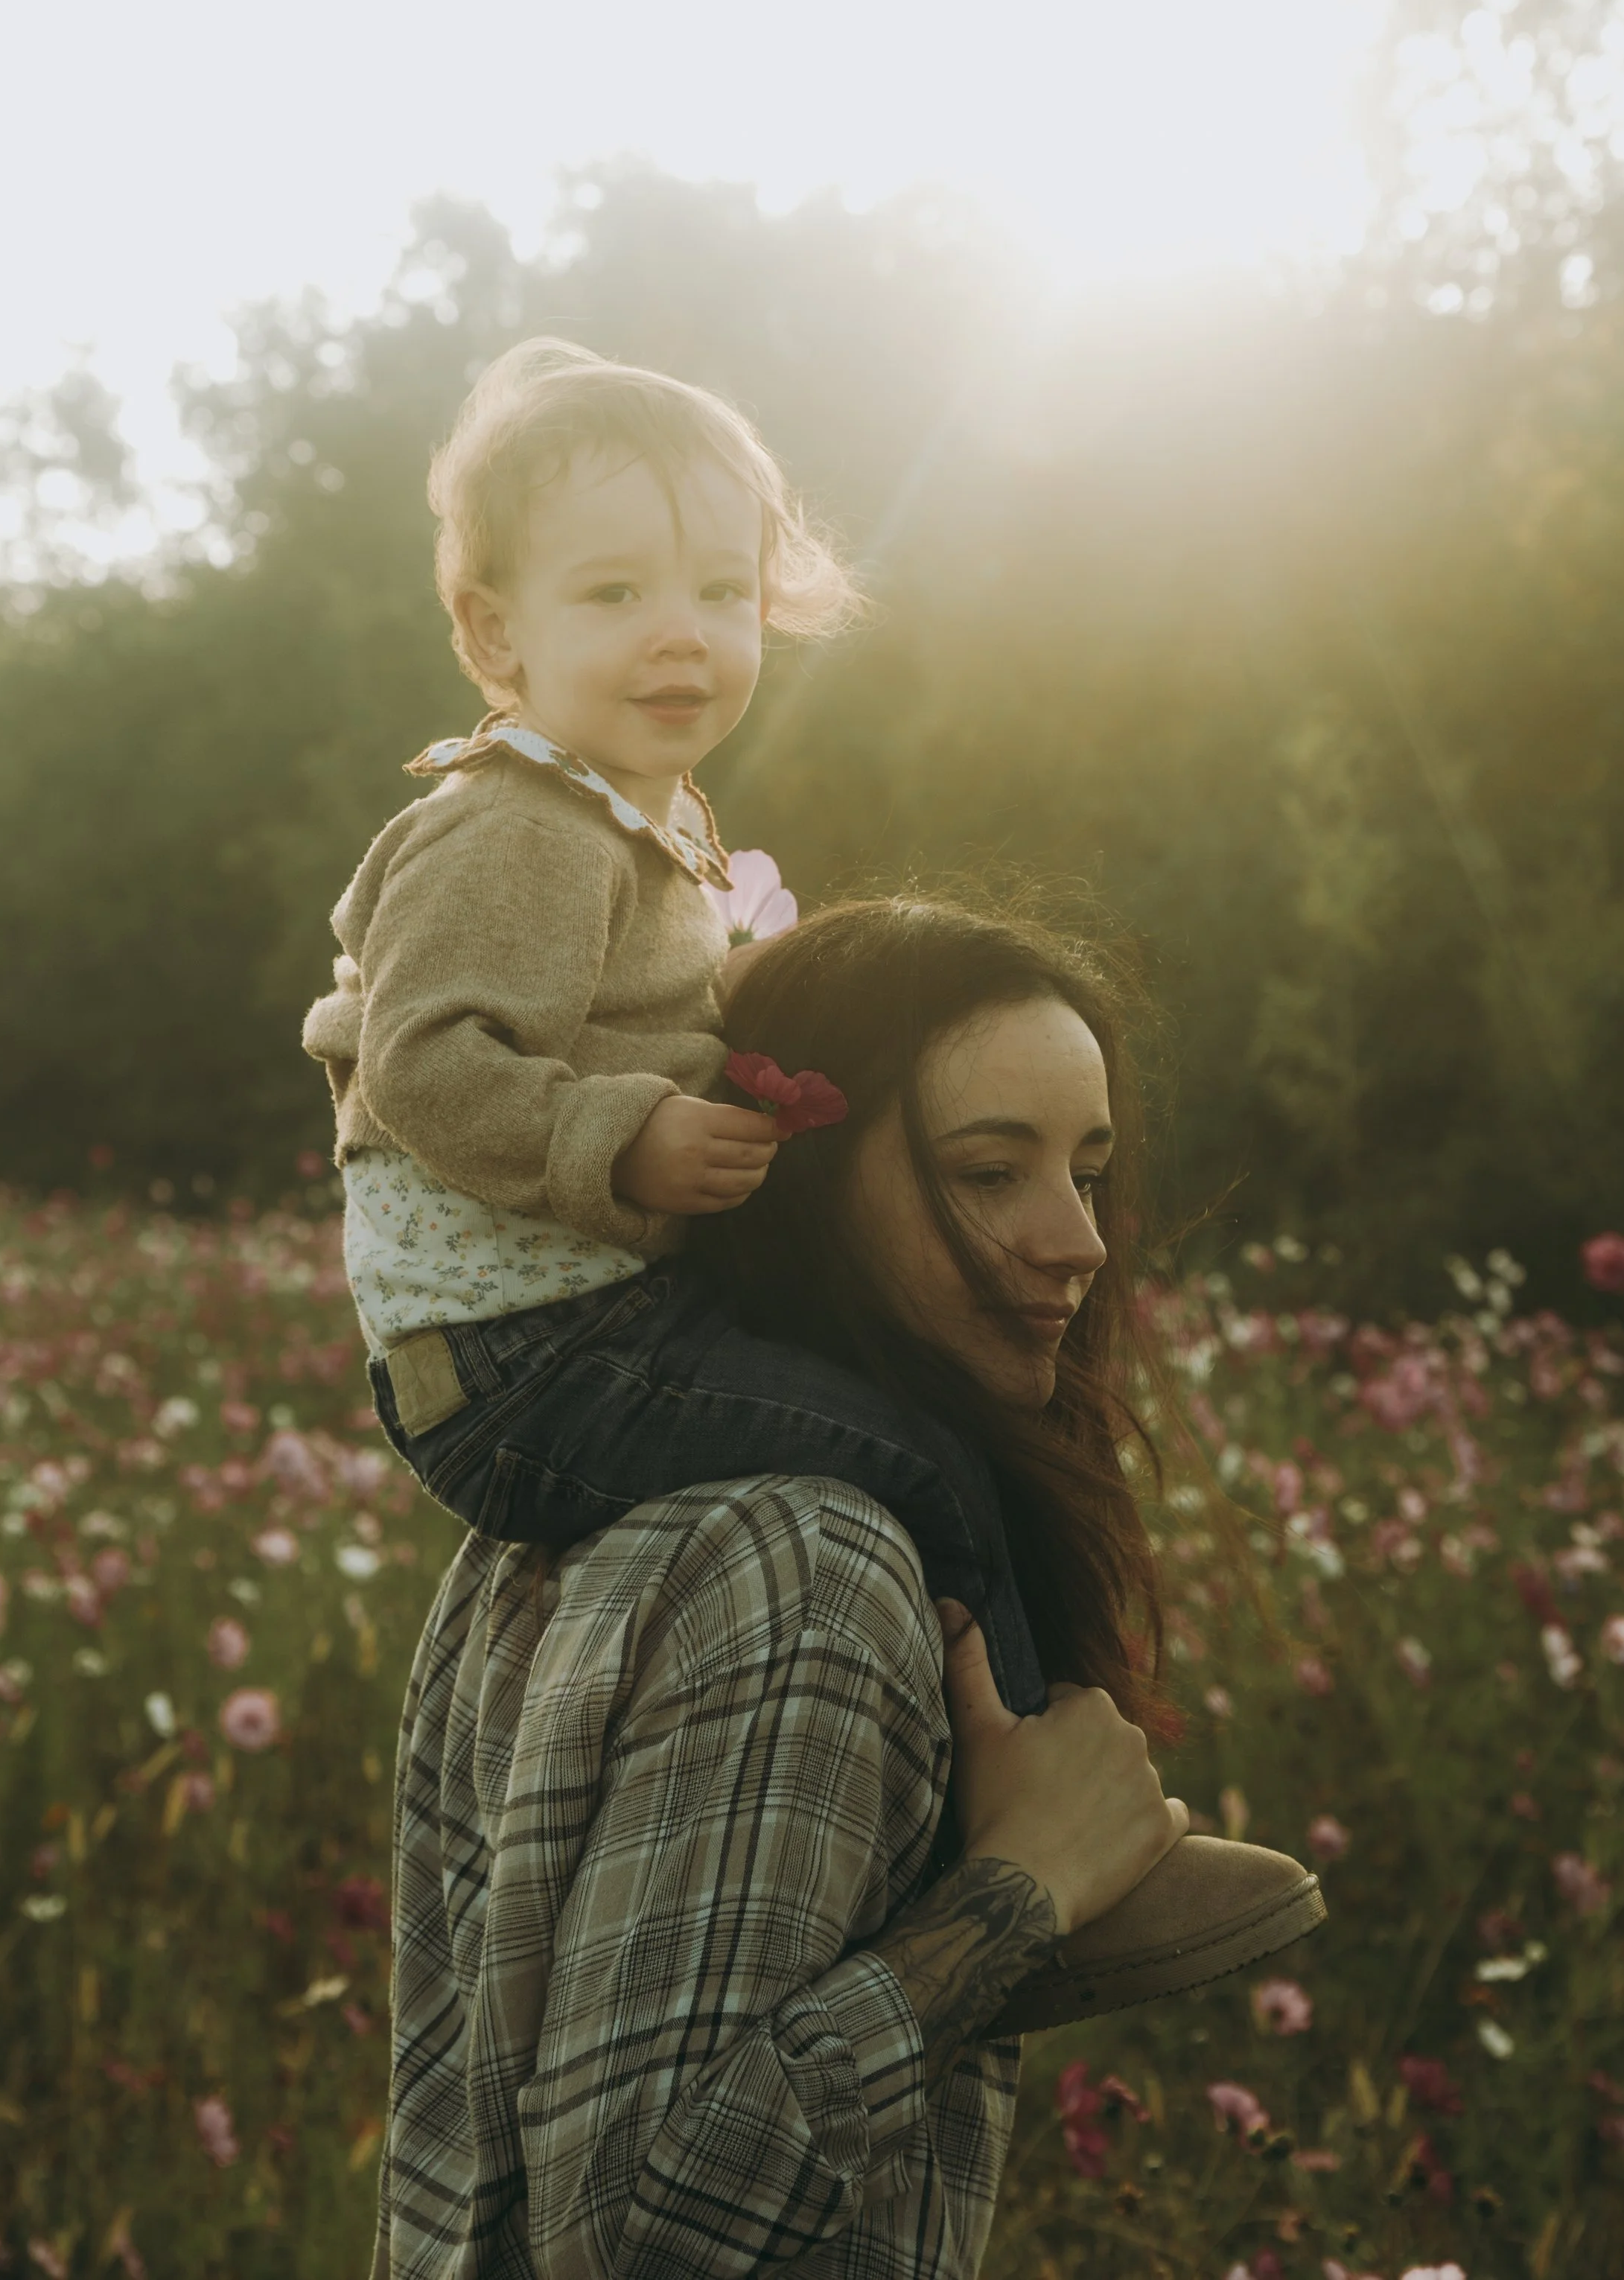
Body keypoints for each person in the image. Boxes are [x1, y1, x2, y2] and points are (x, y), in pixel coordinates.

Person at [375, 897, 1324, 2276]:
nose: (1082, 1239)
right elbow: (642, 2245)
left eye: (1089, 1169)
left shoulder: (596, 1507)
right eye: (992, 1172)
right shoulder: (813, 1563)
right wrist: (1019, 1891)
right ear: (799, 1181)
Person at [302, 337, 1042, 1707]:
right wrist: (628, 1137)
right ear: (495, 635)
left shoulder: (641, 819)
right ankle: (1029, 1759)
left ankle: (1024, 1724)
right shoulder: (515, 828)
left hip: (597, 1315)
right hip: (526, 1360)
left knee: (915, 1365)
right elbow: (423, 1063)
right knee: (922, 1454)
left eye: (721, 589)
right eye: (615, 590)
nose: (683, 631)